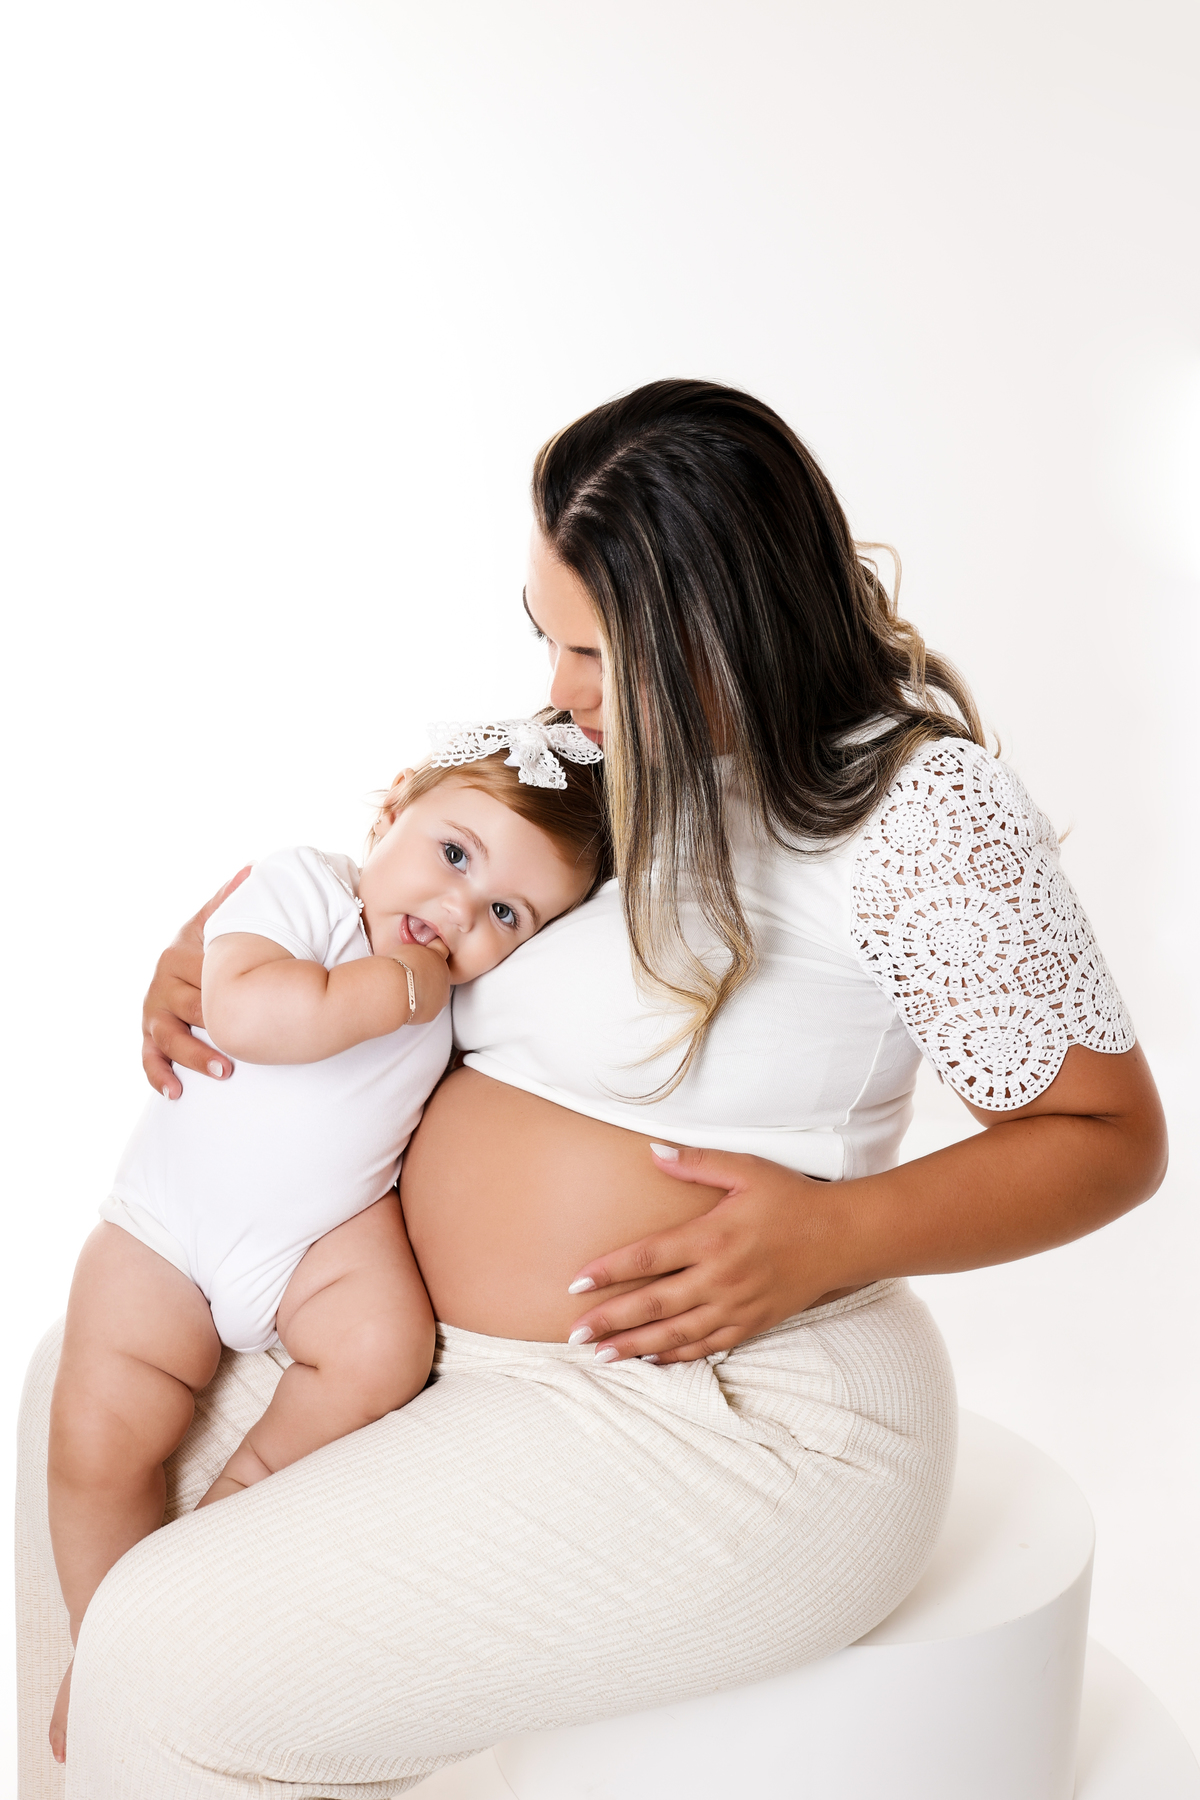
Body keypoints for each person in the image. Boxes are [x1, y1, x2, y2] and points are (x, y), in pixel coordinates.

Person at [14, 380, 1166, 1800]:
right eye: (547, 636)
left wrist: (830, 1233)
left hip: (723, 1409)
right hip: (435, 1349)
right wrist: (203, 964)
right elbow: (395, 890)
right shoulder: (602, 760)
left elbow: (1107, 1138)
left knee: (168, 1660)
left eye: (596, 653)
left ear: (723, 631)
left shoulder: (919, 810)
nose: (559, 692)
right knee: (76, 1396)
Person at [44, 722, 609, 1764]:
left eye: (505, 914)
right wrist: (390, 989)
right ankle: (101, 1640)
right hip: (169, 1229)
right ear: (390, 812)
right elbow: (247, 1013)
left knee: (382, 1347)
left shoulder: (462, 994)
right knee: (95, 1438)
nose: (457, 912)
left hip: (323, 1240)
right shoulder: (306, 888)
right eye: (453, 853)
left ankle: (232, 1510)